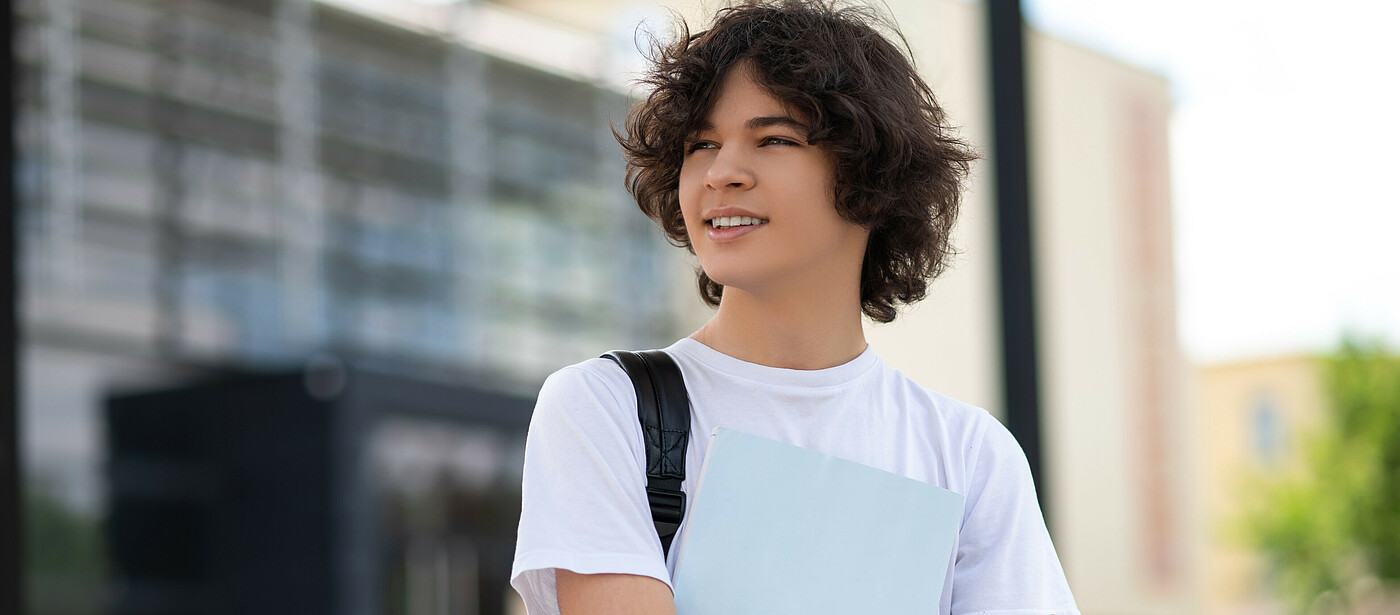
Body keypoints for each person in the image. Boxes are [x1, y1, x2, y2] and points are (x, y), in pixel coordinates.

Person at [509, 1, 1079, 613]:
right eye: (701, 145)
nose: (721, 172)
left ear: (871, 171)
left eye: (773, 138)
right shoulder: (605, 407)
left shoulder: (969, 454)